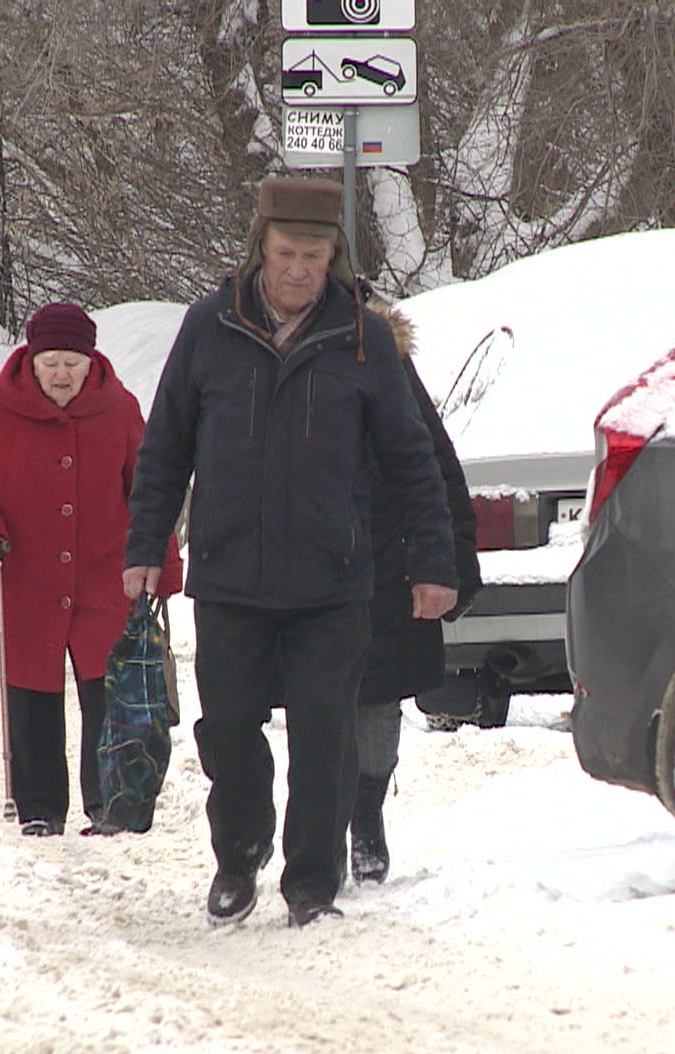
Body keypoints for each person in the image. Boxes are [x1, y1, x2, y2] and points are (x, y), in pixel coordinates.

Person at [122, 175, 458, 927]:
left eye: (314, 255)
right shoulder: (210, 327)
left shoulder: (364, 339)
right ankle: (238, 859)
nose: (299, 269)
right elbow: (166, 446)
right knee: (230, 735)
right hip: (230, 576)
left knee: (323, 737)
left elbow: (412, 459)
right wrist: (147, 541)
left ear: (333, 256)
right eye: (285, 253)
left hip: (332, 583)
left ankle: (311, 884)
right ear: (260, 248)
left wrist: (435, 564)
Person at [0, 302, 182, 838]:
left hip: (106, 580)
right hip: (26, 580)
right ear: (31, 360)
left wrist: (165, 565)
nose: (60, 374)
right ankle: (40, 809)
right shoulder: (1, 410)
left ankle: (109, 803)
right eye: (50, 361)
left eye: (71, 364)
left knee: (109, 695)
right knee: (31, 697)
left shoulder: (119, 410)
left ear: (90, 362)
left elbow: (151, 493)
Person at [345, 297, 485, 885]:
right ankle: (323, 826)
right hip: (306, 557)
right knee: (316, 698)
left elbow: (435, 462)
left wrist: (453, 561)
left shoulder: (383, 354)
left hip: (384, 557)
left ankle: (367, 817)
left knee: (378, 696)